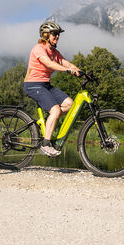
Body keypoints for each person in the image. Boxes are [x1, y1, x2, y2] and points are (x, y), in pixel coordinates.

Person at [23, 21, 82, 157]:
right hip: (33, 84)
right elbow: (49, 63)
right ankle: (45, 145)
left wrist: (79, 70)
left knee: (70, 105)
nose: (57, 37)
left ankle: (50, 120)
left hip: (45, 85)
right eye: (54, 34)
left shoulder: (54, 51)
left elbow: (65, 62)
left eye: (58, 34)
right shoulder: (39, 48)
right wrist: (68, 70)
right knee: (55, 109)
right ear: (45, 35)